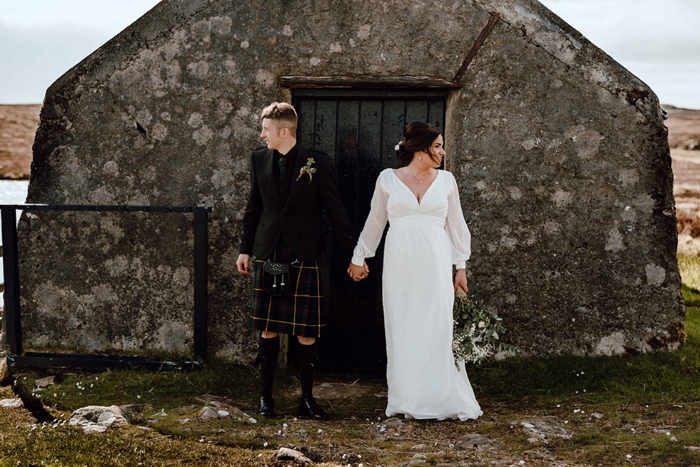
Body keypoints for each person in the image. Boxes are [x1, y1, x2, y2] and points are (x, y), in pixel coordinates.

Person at [347, 121, 482, 421]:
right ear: (420, 150)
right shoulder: (387, 179)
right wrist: (360, 256)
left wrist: (461, 266)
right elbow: (375, 221)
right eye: (437, 146)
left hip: (435, 261)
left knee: (436, 325)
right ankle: (407, 398)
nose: (442, 152)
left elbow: (457, 227)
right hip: (400, 263)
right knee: (404, 325)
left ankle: (440, 396)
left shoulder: (447, 181)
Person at [236, 102, 355, 420]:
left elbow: (336, 211)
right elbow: (254, 207)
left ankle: (306, 399)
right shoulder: (258, 159)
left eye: (266, 129)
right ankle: (265, 399)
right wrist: (245, 249)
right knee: (267, 329)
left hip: (303, 255)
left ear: (284, 131)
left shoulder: (318, 162)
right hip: (268, 251)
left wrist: (354, 256)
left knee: (306, 333)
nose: (262, 135)